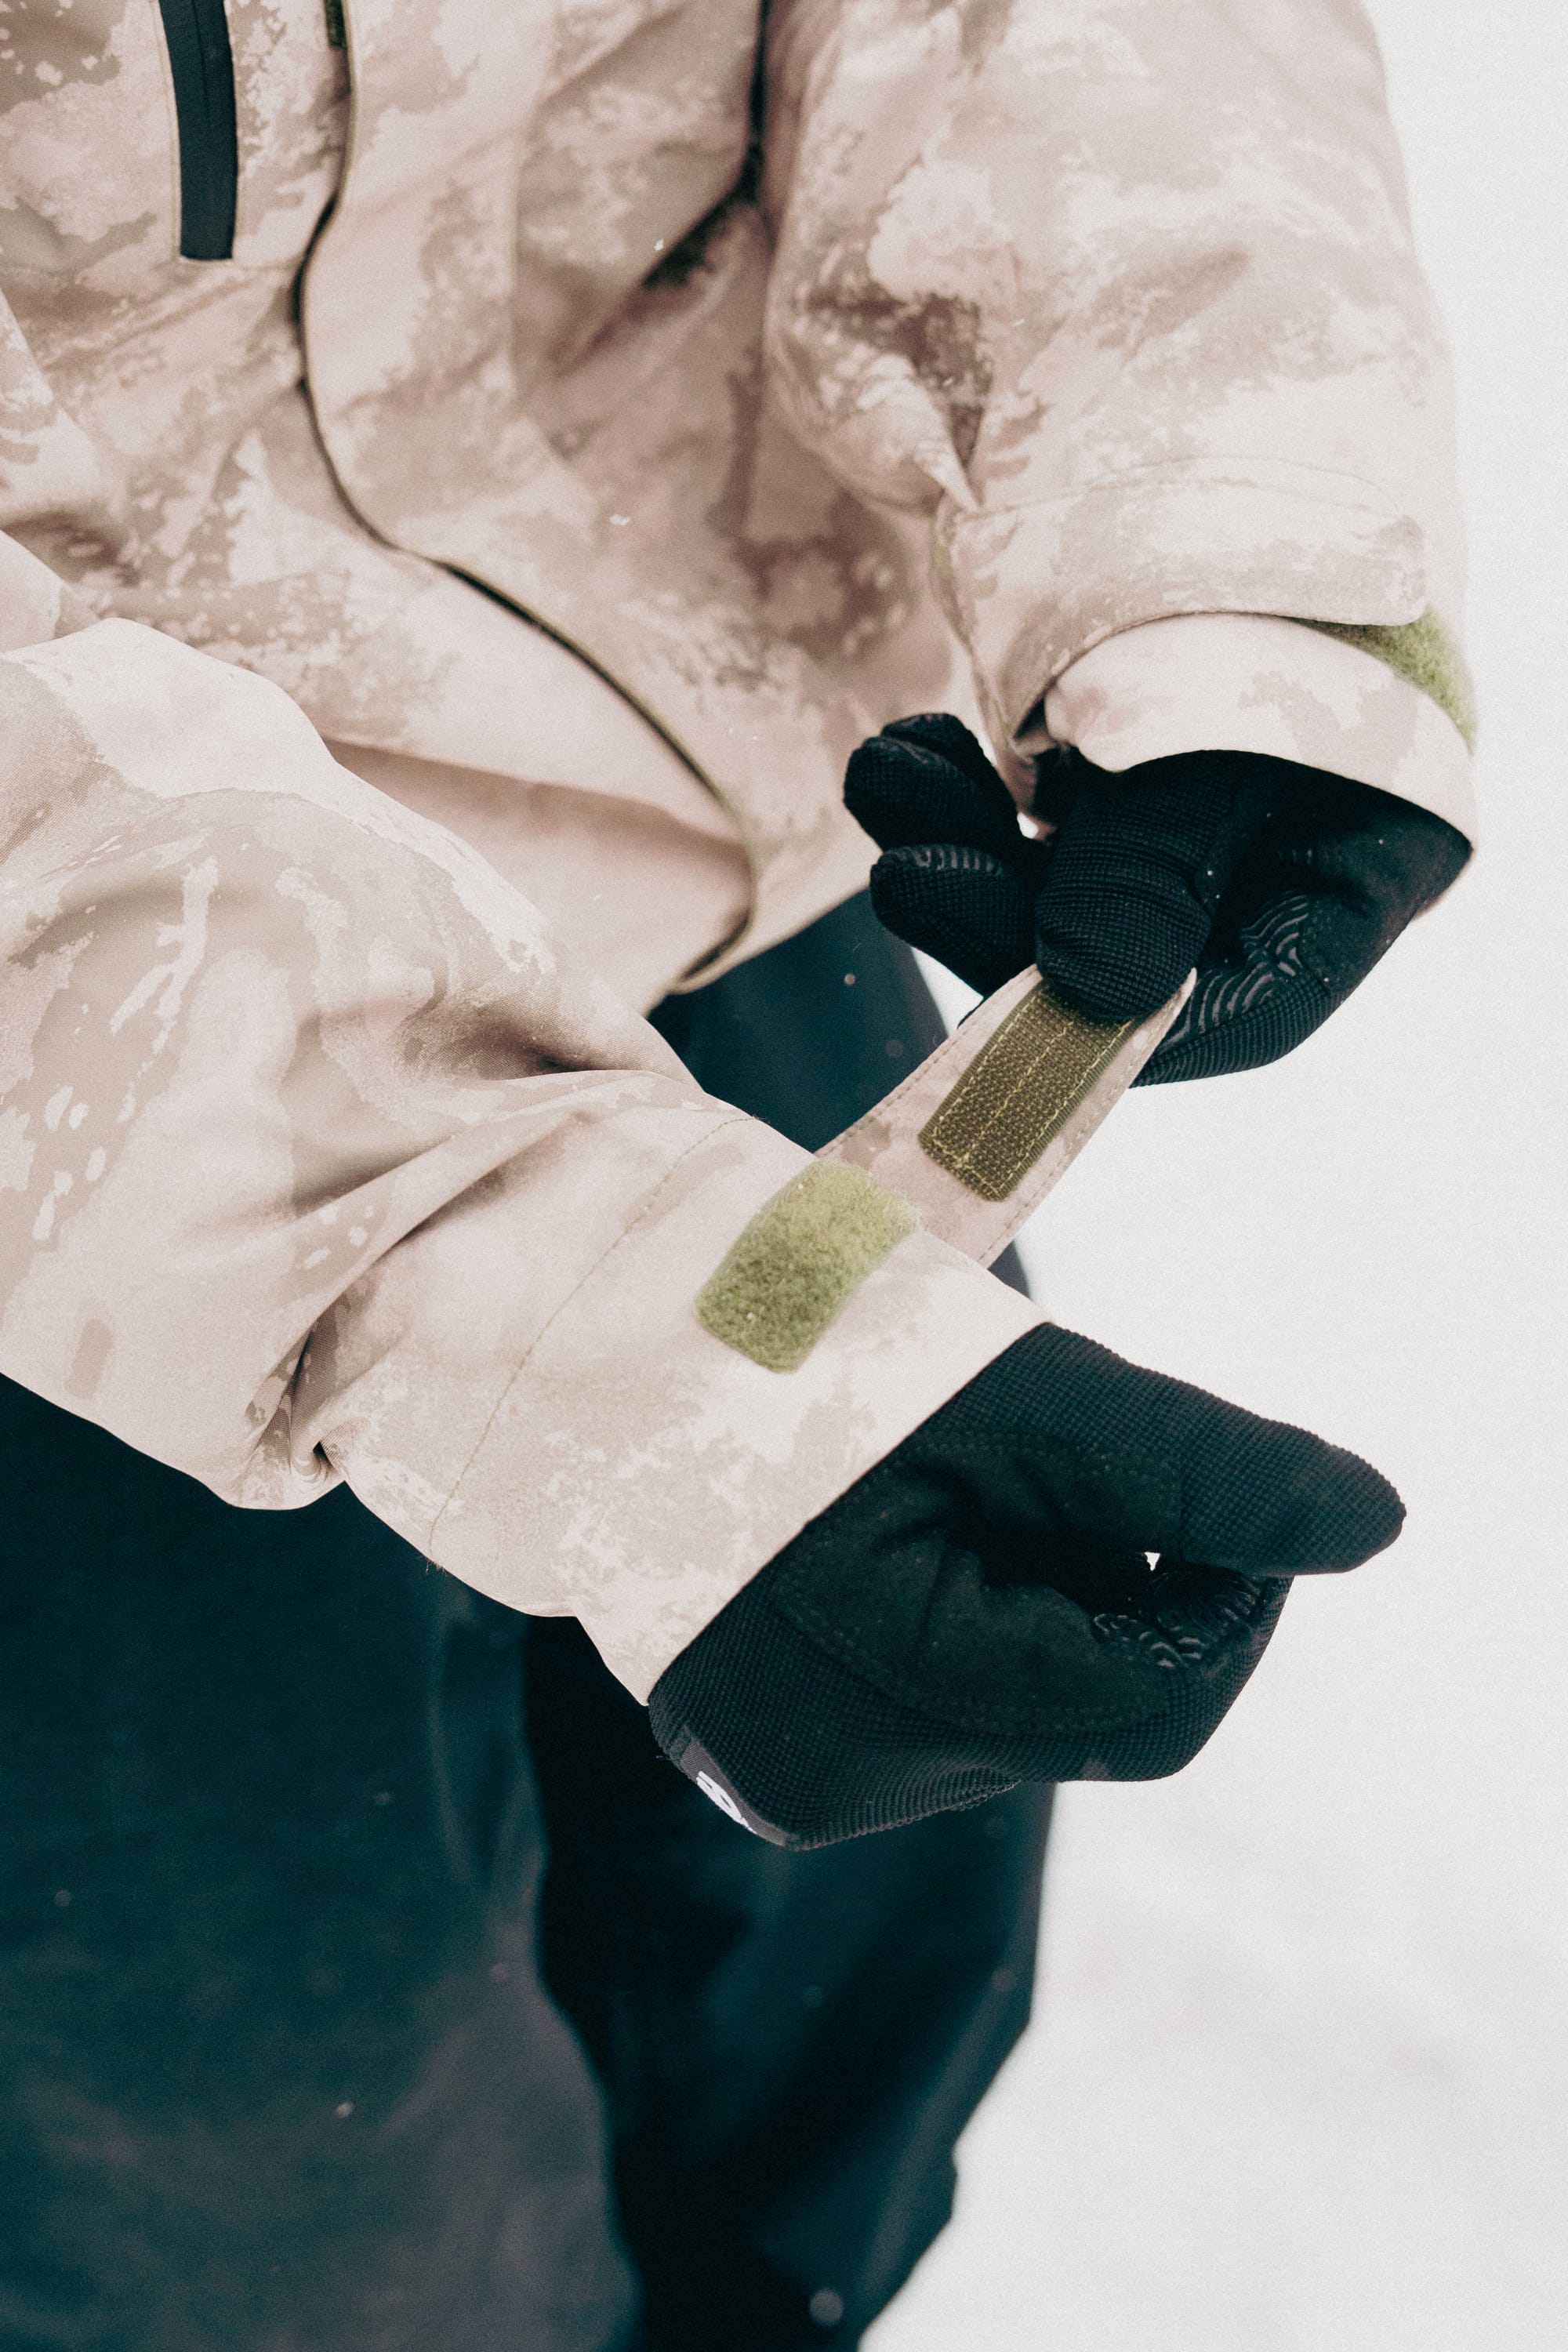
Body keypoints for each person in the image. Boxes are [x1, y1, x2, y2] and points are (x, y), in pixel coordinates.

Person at [0, 2, 1470, 2343]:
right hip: (59, 1138)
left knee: (859, 1940)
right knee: (288, 2171)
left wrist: (1224, 576)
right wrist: (535, 1306)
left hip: (729, 837)